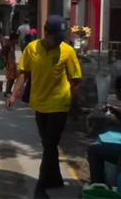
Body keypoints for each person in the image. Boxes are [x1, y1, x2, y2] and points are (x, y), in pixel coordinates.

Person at [6, 15, 82, 199]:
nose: (59, 40)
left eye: (62, 37)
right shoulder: (32, 48)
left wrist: (73, 104)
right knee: (48, 144)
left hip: (59, 104)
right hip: (39, 104)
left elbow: (75, 80)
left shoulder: (67, 51)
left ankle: (40, 188)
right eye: (56, 37)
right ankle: (55, 179)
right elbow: (24, 73)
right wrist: (13, 94)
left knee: (49, 145)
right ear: (46, 33)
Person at [87, 75, 121, 186]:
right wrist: (115, 112)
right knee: (97, 147)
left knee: (93, 151)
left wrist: (116, 123)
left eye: (116, 90)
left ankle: (97, 185)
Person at [3, 31, 19, 97]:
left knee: (13, 78)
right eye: (16, 39)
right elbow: (0, 51)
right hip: (9, 63)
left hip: (13, 62)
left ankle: (9, 90)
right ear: (13, 39)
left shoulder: (12, 44)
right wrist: (5, 59)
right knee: (10, 78)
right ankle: (7, 91)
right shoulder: (8, 45)